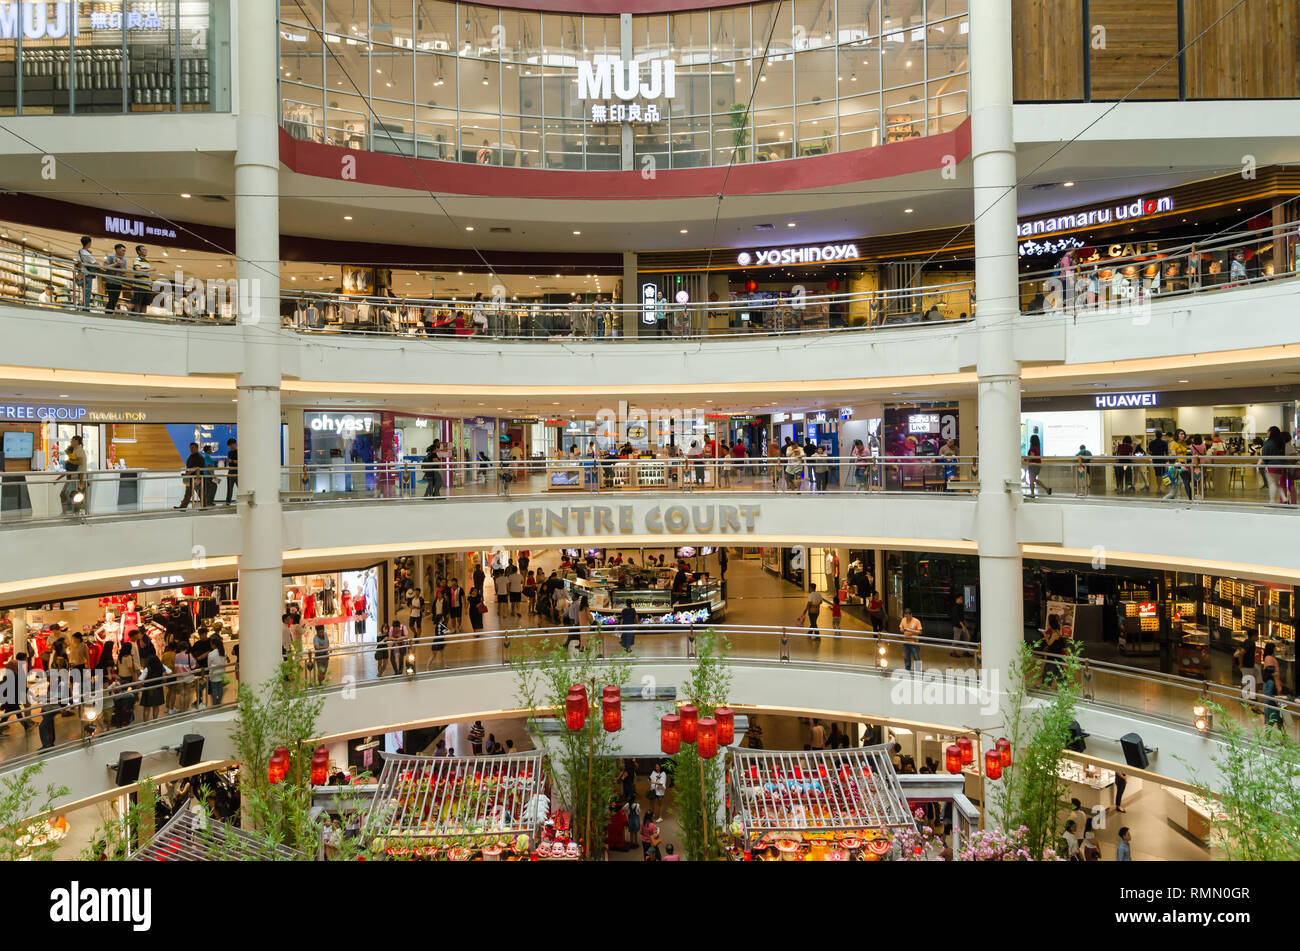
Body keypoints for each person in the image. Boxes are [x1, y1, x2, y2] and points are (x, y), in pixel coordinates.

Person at [59, 435, 88, 515]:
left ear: (76, 442)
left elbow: (80, 462)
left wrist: (68, 461)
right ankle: (67, 512)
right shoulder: (75, 450)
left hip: (78, 477)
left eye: (72, 441)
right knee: (65, 494)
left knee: (75, 496)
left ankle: (75, 512)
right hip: (74, 476)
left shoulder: (79, 450)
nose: (71, 442)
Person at [175, 442, 206, 509]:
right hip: (190, 478)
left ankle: (204, 507)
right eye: (190, 448)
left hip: (197, 478)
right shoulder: (190, 457)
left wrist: (197, 478)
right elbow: (189, 467)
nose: (191, 449)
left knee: (200, 493)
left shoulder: (199, 457)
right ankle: (183, 507)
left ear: (197, 448)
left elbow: (197, 468)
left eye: (193, 448)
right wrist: (186, 474)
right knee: (188, 493)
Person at [102, 243, 128, 312]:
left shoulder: (124, 260)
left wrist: (121, 265)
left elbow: (124, 271)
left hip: (118, 282)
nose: (124, 252)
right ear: (117, 250)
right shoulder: (111, 257)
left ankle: (111, 312)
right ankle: (108, 313)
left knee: (115, 299)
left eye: (124, 251)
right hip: (110, 281)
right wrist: (116, 264)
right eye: (123, 250)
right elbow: (105, 267)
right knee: (111, 298)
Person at [75, 235, 97, 309]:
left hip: (82, 273)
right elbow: (94, 263)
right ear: (89, 243)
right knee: (87, 292)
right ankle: (86, 307)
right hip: (88, 274)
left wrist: (79, 272)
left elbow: (79, 263)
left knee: (83, 291)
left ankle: (83, 305)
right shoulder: (86, 254)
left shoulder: (79, 251)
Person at [206, 634, 228, 706]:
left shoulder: (211, 654)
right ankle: (219, 702)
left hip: (214, 673)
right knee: (220, 688)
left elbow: (209, 665)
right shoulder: (223, 652)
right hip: (221, 672)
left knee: (214, 689)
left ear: (214, 645)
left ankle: (215, 703)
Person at [1025, 433, 1049, 497]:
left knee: (1031, 480)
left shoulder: (1032, 448)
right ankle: (1047, 489)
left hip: (1033, 465)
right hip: (1038, 465)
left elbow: (1032, 457)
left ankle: (1032, 494)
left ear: (1032, 440)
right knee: (1034, 479)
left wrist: (1026, 460)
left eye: (1030, 438)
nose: (1029, 439)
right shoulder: (1037, 448)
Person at [130, 245, 152, 313]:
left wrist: (150, 283)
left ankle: (143, 319)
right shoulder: (137, 260)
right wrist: (151, 269)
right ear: (138, 251)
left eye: (146, 249)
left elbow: (147, 274)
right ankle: (137, 318)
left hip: (147, 287)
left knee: (145, 304)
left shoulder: (147, 261)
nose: (145, 251)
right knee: (138, 303)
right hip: (139, 286)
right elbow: (138, 270)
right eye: (143, 249)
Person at [222, 437, 238, 504]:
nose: (230, 446)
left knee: (242, 487)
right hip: (231, 470)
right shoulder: (230, 452)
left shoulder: (239, 451)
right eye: (229, 445)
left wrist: (231, 461)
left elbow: (240, 462)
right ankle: (228, 502)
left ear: (234, 444)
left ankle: (244, 501)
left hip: (238, 471)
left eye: (231, 445)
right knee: (229, 488)